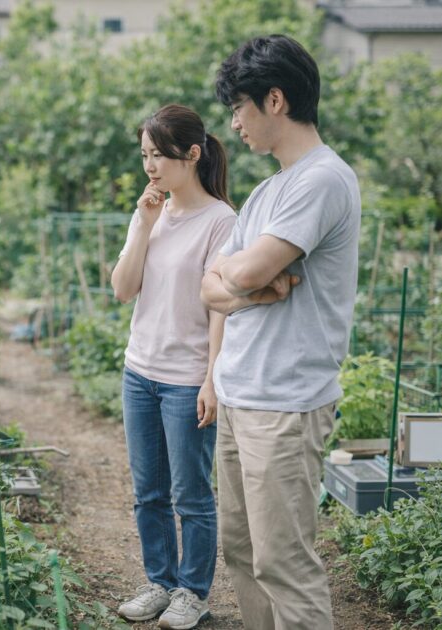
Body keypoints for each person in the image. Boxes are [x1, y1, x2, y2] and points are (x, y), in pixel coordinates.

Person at [201, 35, 361, 630]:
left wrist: (241, 280)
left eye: (238, 108)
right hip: (242, 393)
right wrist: (255, 288)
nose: (235, 124)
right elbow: (209, 288)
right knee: (243, 554)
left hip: (285, 404)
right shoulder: (269, 190)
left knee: (284, 564)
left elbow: (235, 272)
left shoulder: (322, 179)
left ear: (274, 100)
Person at [111, 104, 236, 629]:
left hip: (186, 380)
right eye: (144, 155)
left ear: (193, 153)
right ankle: (160, 583)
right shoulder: (150, 213)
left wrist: (211, 377)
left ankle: (193, 592)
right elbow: (122, 290)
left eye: (160, 155)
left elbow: (219, 307)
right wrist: (143, 224)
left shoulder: (222, 221)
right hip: (139, 371)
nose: (151, 166)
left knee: (191, 493)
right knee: (149, 492)